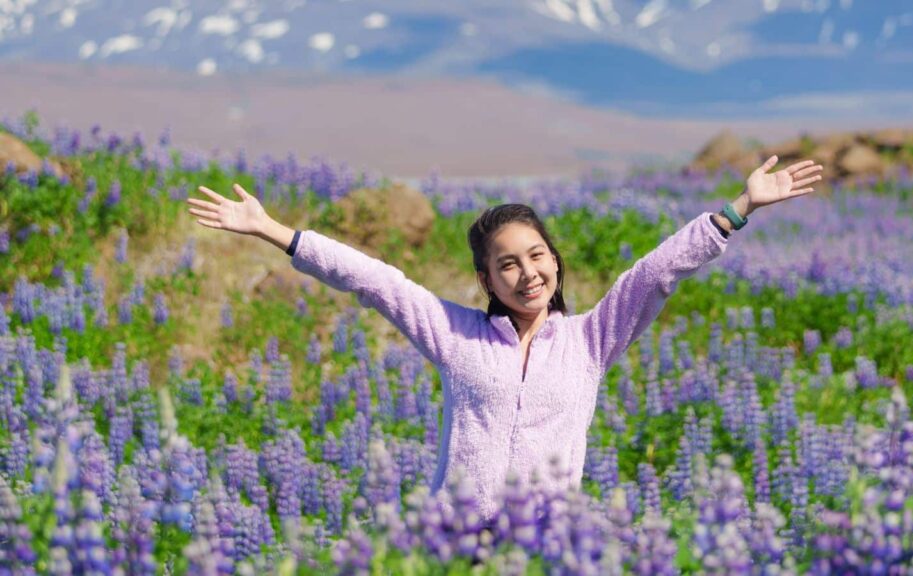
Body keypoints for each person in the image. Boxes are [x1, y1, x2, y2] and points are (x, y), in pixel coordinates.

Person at [186, 155, 823, 522]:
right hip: (455, 540)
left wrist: (737, 209)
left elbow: (656, 272)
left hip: (546, 545)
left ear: (555, 260)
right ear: (485, 277)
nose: (528, 274)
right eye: (508, 263)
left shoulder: (591, 340)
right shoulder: (455, 334)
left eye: (537, 255)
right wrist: (278, 233)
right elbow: (374, 281)